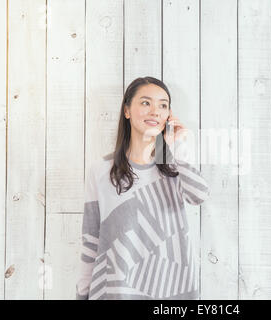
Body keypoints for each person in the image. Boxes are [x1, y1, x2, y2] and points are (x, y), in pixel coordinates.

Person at [75, 76, 210, 300]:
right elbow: (91, 240)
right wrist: (81, 295)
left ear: (169, 115)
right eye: (146, 103)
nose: (155, 111)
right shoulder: (101, 171)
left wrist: (174, 146)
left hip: (171, 292)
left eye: (163, 105)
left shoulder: (175, 166)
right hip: (115, 291)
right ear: (127, 110)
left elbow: (199, 196)